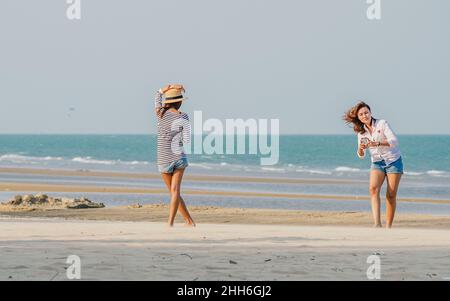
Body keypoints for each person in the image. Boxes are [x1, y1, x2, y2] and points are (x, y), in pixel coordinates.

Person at [344, 101, 403, 228]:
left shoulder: (382, 123)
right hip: (377, 162)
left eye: (366, 112)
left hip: (393, 160)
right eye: (361, 114)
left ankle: (389, 226)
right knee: (373, 189)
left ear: (370, 113)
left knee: (391, 194)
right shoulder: (361, 133)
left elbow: (394, 141)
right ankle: (377, 224)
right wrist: (361, 148)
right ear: (358, 118)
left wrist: (377, 144)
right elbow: (361, 155)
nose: (364, 115)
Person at [154, 84, 195, 227]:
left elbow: (157, 98)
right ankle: (188, 221)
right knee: (175, 191)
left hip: (164, 158)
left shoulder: (160, 113)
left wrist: (165, 89)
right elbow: (186, 139)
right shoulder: (183, 116)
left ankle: (171, 223)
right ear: (179, 102)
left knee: (173, 192)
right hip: (179, 156)